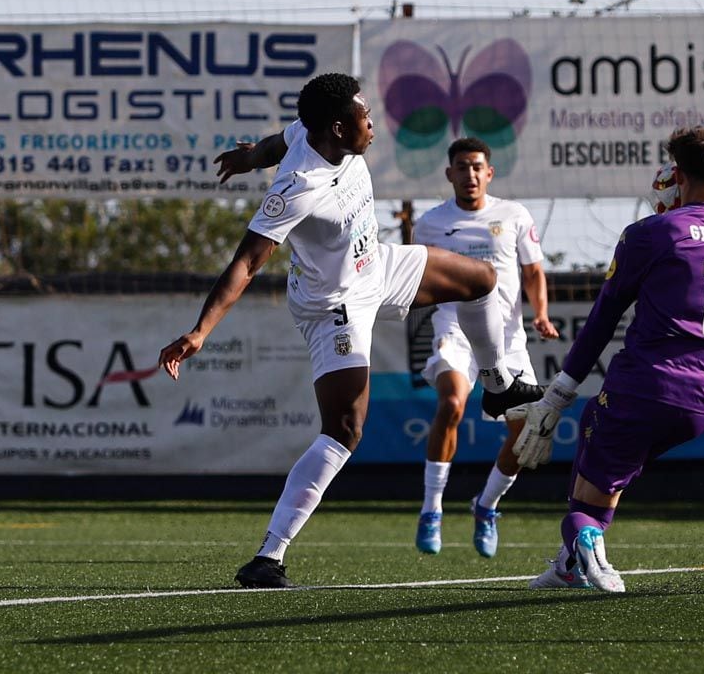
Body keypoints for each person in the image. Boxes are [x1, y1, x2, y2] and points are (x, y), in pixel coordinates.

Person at [158, 73, 538, 589]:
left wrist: (247, 157)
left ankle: (497, 386)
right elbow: (247, 262)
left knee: (481, 279)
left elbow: (276, 141)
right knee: (345, 430)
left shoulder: (310, 131)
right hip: (331, 304)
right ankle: (268, 557)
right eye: (364, 118)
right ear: (338, 129)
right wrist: (201, 330)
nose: (373, 127)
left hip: (375, 266)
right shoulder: (297, 187)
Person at [509, 127, 704, 593]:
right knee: (602, 443)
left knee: (585, 503)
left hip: (645, 388)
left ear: (679, 175)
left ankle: (585, 545)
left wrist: (555, 397)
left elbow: (602, 320)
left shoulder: (651, 233)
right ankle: (569, 566)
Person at [412, 137, 558, 558]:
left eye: (477, 167)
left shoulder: (513, 214)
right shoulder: (430, 223)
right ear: (450, 174)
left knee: (525, 431)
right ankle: (431, 509)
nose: (470, 174)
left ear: (489, 173)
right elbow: (419, 274)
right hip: (454, 330)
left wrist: (542, 314)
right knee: (452, 404)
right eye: (462, 167)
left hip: (508, 340)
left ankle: (486, 505)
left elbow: (533, 271)